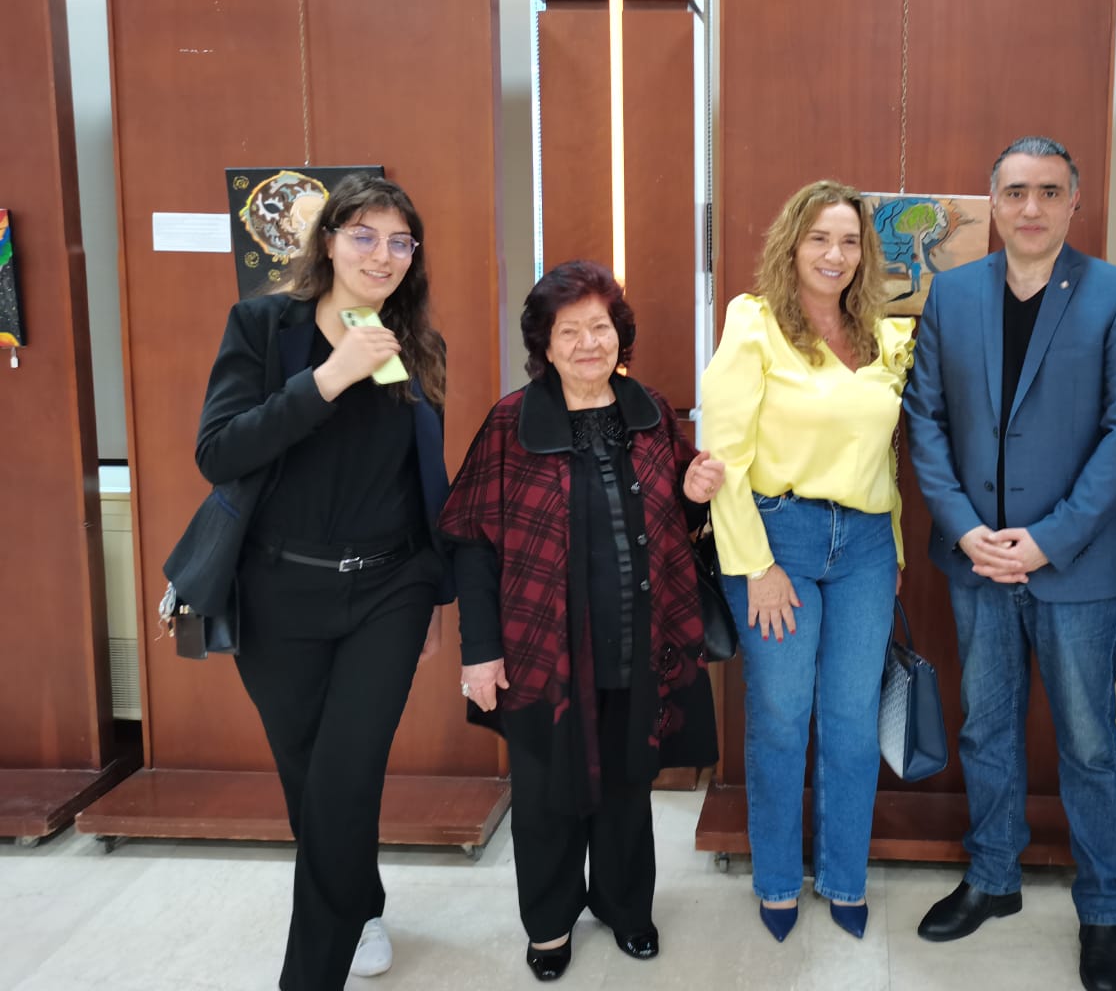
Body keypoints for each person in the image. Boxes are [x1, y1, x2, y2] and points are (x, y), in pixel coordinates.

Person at [903, 136, 1116, 991]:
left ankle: (1101, 909)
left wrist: (1050, 537)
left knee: (1088, 745)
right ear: (992, 200)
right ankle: (992, 877)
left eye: (1049, 191)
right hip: (976, 559)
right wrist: (963, 527)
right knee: (985, 727)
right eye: (1015, 191)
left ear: (1072, 202)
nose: (1030, 207)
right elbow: (925, 418)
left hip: (1076, 565)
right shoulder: (953, 294)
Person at [195, 173, 451, 990]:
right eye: (364, 236)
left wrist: (436, 594)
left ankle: (310, 974)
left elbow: (423, 480)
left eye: (399, 241)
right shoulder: (263, 327)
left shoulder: (417, 342)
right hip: (279, 591)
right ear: (329, 241)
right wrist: (327, 378)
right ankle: (359, 901)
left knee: (346, 773)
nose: (383, 255)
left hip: (389, 589)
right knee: (308, 774)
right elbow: (219, 451)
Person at [437, 260, 721, 983]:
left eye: (600, 327)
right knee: (545, 794)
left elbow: (678, 523)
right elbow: (471, 542)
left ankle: (626, 908)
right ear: (544, 342)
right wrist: (480, 651)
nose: (588, 343)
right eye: (570, 331)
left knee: (628, 783)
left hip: (637, 639)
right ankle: (550, 923)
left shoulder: (651, 412)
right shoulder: (511, 422)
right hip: (541, 648)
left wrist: (694, 494)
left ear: (619, 335)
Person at [701, 180, 914, 943]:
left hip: (864, 547)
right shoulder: (753, 324)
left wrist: (891, 548)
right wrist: (754, 566)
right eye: (819, 238)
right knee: (781, 718)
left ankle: (844, 877)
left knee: (853, 722)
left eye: (849, 240)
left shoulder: (885, 336)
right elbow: (723, 458)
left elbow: (885, 456)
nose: (835, 254)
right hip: (776, 540)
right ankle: (776, 880)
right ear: (791, 245)